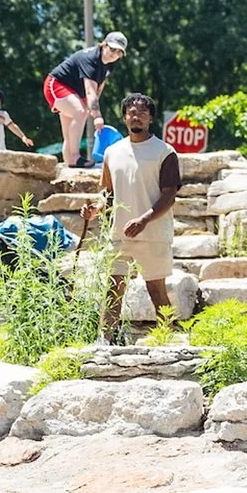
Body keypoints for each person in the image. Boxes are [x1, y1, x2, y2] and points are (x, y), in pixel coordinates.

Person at [98, 92, 180, 343]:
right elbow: (106, 193)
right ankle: (105, 341)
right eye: (132, 112)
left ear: (150, 119)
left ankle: (167, 342)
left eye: (142, 113)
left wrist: (144, 220)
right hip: (120, 234)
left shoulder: (164, 152)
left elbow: (169, 195)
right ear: (124, 117)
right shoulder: (112, 152)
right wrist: (95, 207)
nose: (136, 117)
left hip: (153, 234)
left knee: (156, 291)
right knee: (113, 290)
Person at [46, 30, 128, 168]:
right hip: (57, 85)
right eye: (112, 49)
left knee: (70, 132)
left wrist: (92, 107)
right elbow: (90, 91)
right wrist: (97, 116)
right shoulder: (90, 58)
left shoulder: (109, 64)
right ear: (104, 45)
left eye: (119, 52)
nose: (115, 54)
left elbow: (99, 87)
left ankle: (69, 164)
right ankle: (75, 157)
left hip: (75, 93)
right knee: (80, 112)